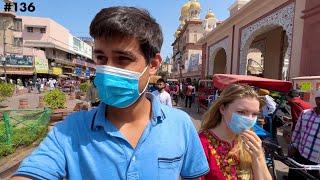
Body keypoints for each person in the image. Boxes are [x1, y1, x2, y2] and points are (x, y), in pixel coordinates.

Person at [12, 6, 209, 180]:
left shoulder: (181, 125)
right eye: (100, 58)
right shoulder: (70, 131)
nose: (107, 69)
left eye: (122, 59)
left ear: (153, 64)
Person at [199, 84, 272, 180]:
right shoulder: (201, 144)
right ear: (222, 109)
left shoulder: (250, 143)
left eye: (254, 114)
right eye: (241, 112)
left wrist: (258, 157)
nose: (249, 119)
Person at [288, 91, 320, 179]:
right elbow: (297, 132)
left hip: (316, 164)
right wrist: (293, 146)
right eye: (319, 98)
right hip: (299, 155)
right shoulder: (305, 114)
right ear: (316, 99)